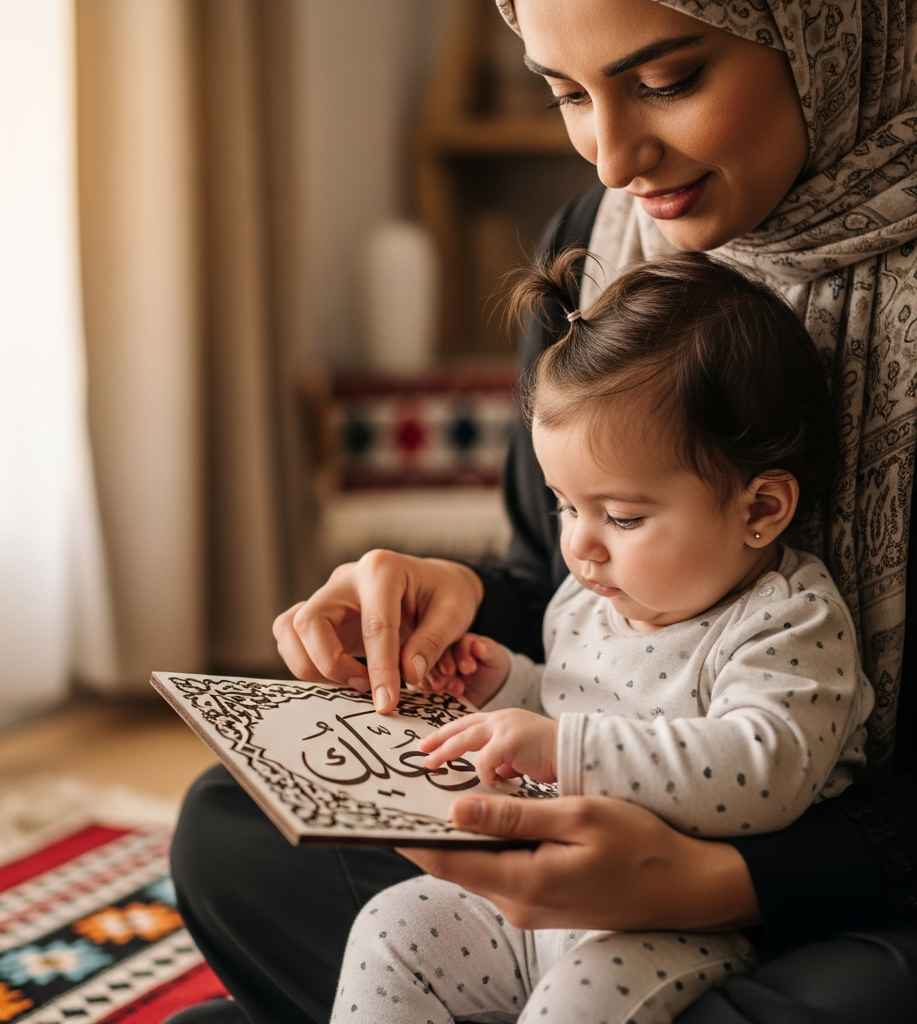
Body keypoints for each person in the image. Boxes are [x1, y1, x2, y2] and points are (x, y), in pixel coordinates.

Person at [169, 2, 917, 1022]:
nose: (613, 160)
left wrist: (702, 882)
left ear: (830, 32)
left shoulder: (787, 621)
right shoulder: (594, 250)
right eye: (567, 93)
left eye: (666, 81)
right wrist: (468, 611)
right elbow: (577, 611)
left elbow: (762, 755)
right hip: (560, 877)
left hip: (814, 897)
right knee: (232, 822)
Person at [328, 250, 875, 1024]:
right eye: (564, 506)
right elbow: (566, 700)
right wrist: (503, 684)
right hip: (540, 895)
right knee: (392, 926)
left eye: (621, 516)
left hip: (671, 924)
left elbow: (766, 767)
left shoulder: (786, 618)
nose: (580, 546)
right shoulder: (592, 598)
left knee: (575, 1007)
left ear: (761, 510)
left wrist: (562, 751)